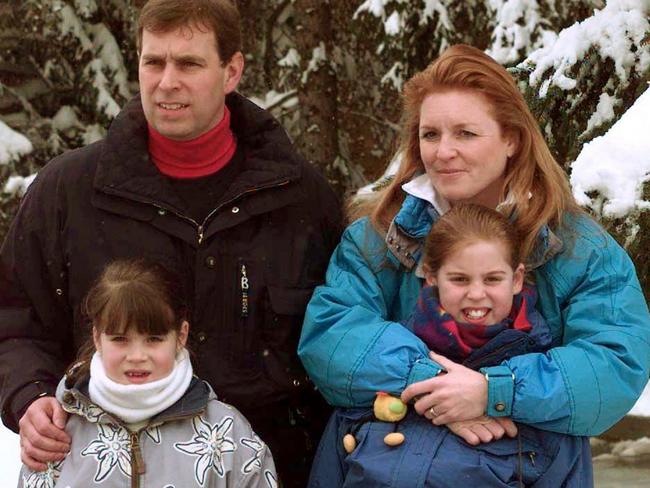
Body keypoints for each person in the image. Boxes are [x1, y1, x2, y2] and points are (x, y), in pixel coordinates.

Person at [0, 1, 342, 486]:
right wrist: (30, 396)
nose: (166, 82)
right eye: (153, 61)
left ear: (232, 71)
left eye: (189, 63)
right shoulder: (68, 193)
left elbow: (339, 342)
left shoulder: (300, 200)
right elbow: (14, 320)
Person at [298, 43, 650, 478]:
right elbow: (332, 336)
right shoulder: (375, 238)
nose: (444, 151)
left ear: (511, 140)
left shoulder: (579, 250)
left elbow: (614, 363)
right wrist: (436, 384)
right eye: (431, 134)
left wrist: (493, 391)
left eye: (465, 133)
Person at [308, 204, 592, 486]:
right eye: (459, 279)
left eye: (493, 279)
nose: (477, 294)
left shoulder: (543, 399)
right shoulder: (374, 381)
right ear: (431, 277)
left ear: (516, 279)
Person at [18, 259, 277, 487]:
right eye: (120, 339)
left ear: (181, 336)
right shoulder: (59, 431)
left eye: (153, 339)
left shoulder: (227, 435)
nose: (137, 356)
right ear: (97, 337)